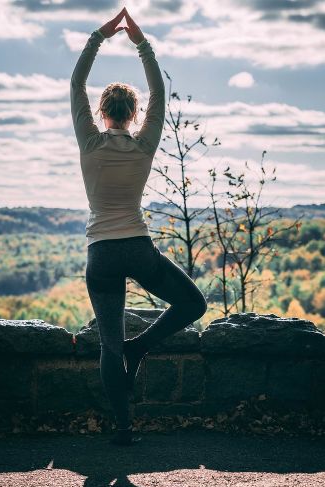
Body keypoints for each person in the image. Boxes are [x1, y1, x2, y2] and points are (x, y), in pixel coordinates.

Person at [70, 7, 207, 446]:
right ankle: (143, 344)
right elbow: (159, 91)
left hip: (102, 254)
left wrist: (99, 36)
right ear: (133, 114)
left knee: (110, 344)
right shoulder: (145, 144)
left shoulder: (89, 141)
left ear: (101, 112)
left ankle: (124, 430)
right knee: (193, 304)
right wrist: (141, 43)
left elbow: (75, 84)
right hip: (138, 247)